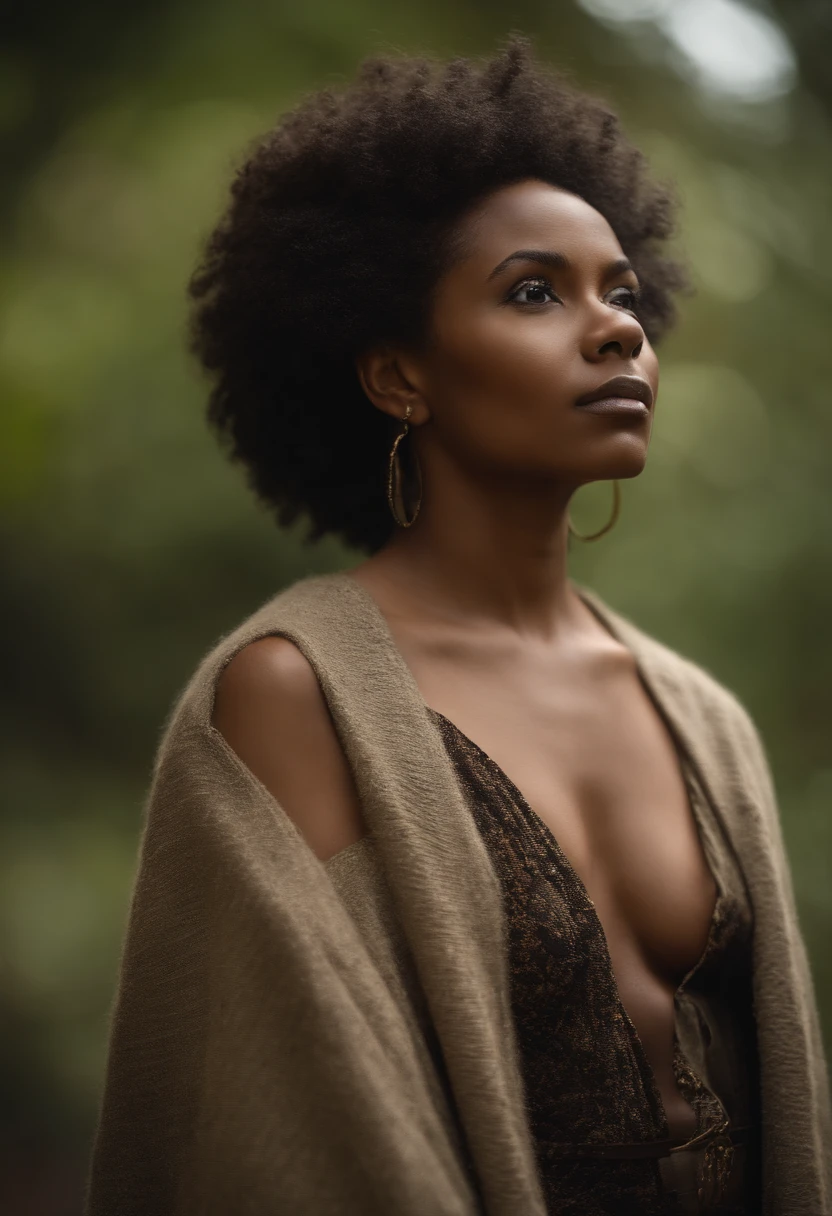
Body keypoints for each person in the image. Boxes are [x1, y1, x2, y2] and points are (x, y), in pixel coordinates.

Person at [85, 39, 830, 1216]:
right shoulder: (295, 697)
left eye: (622, 293)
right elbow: (295, 1123)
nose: (613, 330)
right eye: (535, 292)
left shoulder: (701, 717)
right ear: (398, 377)